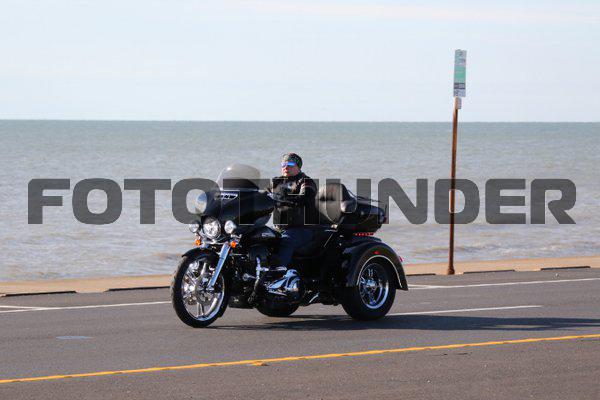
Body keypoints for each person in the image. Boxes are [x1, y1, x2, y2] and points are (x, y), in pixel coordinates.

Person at [270, 153, 318, 269]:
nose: (286, 167)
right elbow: (262, 197)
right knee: (260, 236)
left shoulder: (305, 181)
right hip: (279, 228)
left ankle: (279, 272)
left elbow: (306, 197)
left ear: (298, 166)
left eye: (290, 164)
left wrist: (284, 199)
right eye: (283, 164)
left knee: (286, 241)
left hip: (302, 229)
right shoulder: (276, 182)